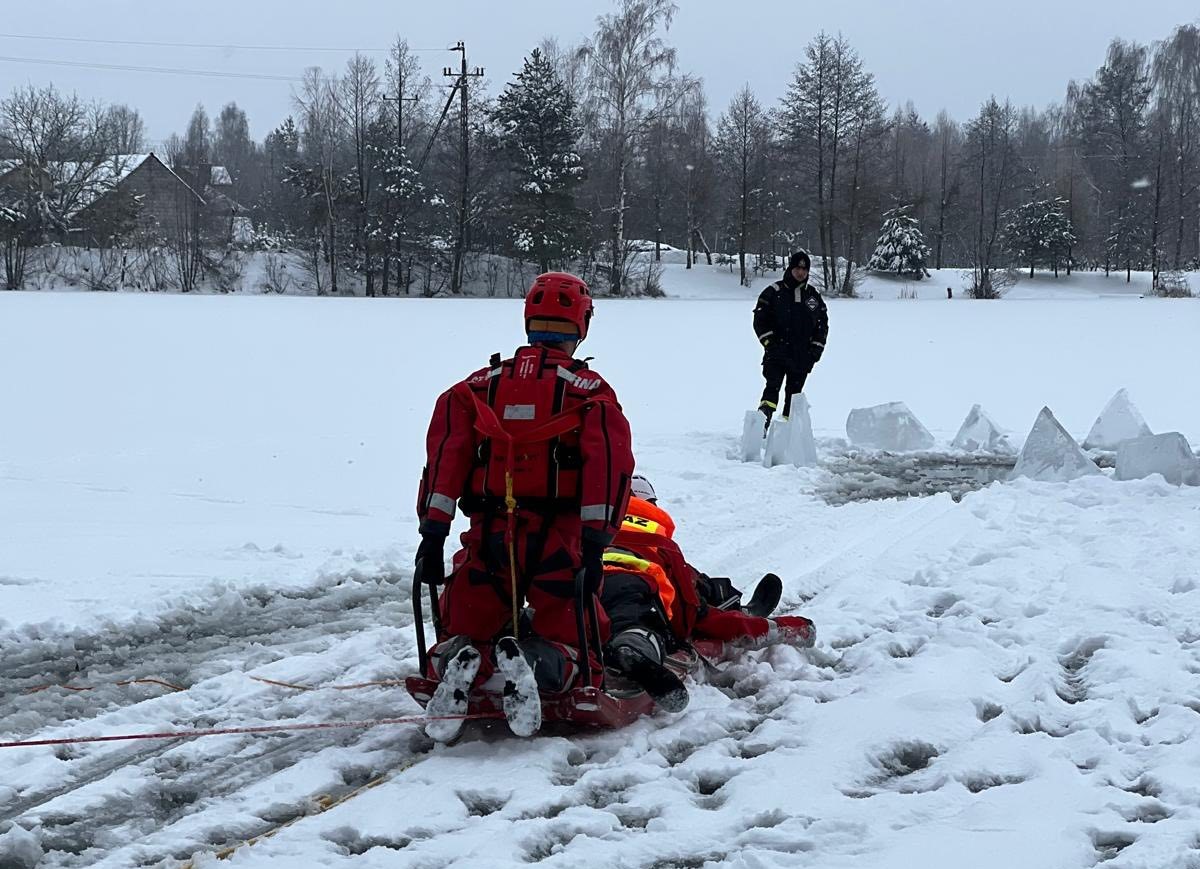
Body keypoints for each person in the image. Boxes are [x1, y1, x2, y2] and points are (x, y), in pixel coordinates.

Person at [415, 272, 635, 741]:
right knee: (578, 636)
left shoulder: (474, 388)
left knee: (467, 620)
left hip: (489, 536)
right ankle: (537, 664)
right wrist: (596, 544)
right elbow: (609, 468)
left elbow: (446, 460)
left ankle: (457, 660)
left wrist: (433, 534)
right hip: (557, 541)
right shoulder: (590, 392)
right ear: (582, 325)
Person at [600, 476, 816, 713]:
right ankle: (634, 647)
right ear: (650, 505)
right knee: (645, 616)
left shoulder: (584, 531)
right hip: (635, 591)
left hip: (581, 592)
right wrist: (791, 627)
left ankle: (594, 651)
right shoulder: (660, 543)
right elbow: (692, 613)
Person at [752, 250, 829, 430]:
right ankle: (760, 429)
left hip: (802, 357)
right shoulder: (773, 292)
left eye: (804, 269)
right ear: (790, 269)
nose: (800, 272)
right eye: (797, 269)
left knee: (794, 398)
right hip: (776, 354)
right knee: (771, 390)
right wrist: (769, 343)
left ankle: (787, 433)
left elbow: (822, 325)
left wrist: (815, 350)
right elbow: (759, 320)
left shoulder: (813, 297)